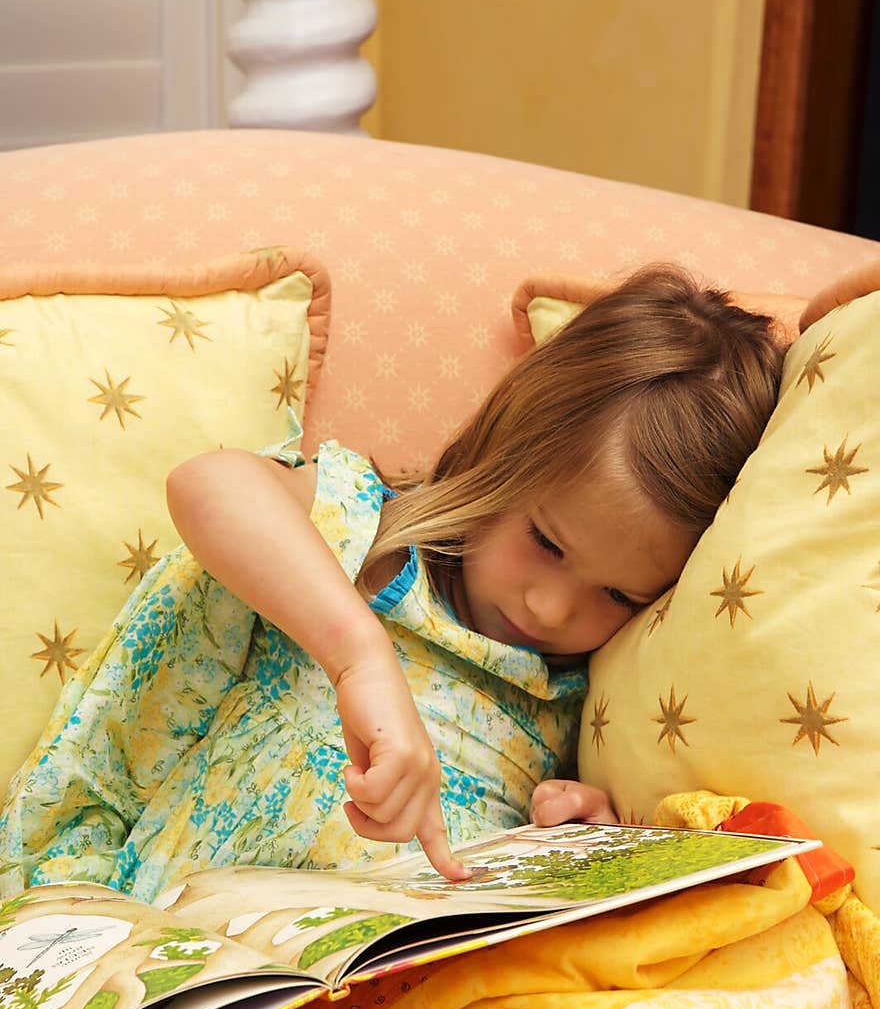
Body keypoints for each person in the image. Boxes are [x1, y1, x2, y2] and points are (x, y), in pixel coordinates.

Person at [0, 264, 783, 906]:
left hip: (392, 992)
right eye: (545, 542)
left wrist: (580, 835)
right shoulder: (360, 535)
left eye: (619, 597)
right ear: (505, 450)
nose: (551, 606)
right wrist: (358, 659)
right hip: (181, 954)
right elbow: (208, 485)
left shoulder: (578, 694)